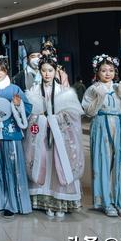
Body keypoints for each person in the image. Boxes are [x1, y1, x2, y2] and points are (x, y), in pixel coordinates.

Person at [24, 55, 84, 218]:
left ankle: (60, 201)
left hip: (60, 138)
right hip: (41, 137)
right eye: (44, 70)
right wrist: (41, 119)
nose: (47, 74)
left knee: (59, 166)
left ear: (56, 71)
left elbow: (73, 117)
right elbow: (29, 116)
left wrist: (56, 119)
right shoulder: (33, 91)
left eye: (50, 70)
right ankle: (44, 201)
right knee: (43, 163)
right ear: (40, 71)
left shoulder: (65, 92)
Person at [0, 56, 33, 218]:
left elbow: (28, 108)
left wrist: (18, 106)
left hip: (11, 133)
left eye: (1, 70)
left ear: (6, 71)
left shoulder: (14, 89)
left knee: (13, 168)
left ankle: (13, 202)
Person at [82, 54, 121, 218]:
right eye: (103, 70)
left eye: (111, 70)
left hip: (118, 125)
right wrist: (100, 97)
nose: (107, 73)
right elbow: (89, 112)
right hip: (101, 124)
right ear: (97, 72)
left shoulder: (120, 87)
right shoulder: (92, 89)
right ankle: (105, 202)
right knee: (102, 163)